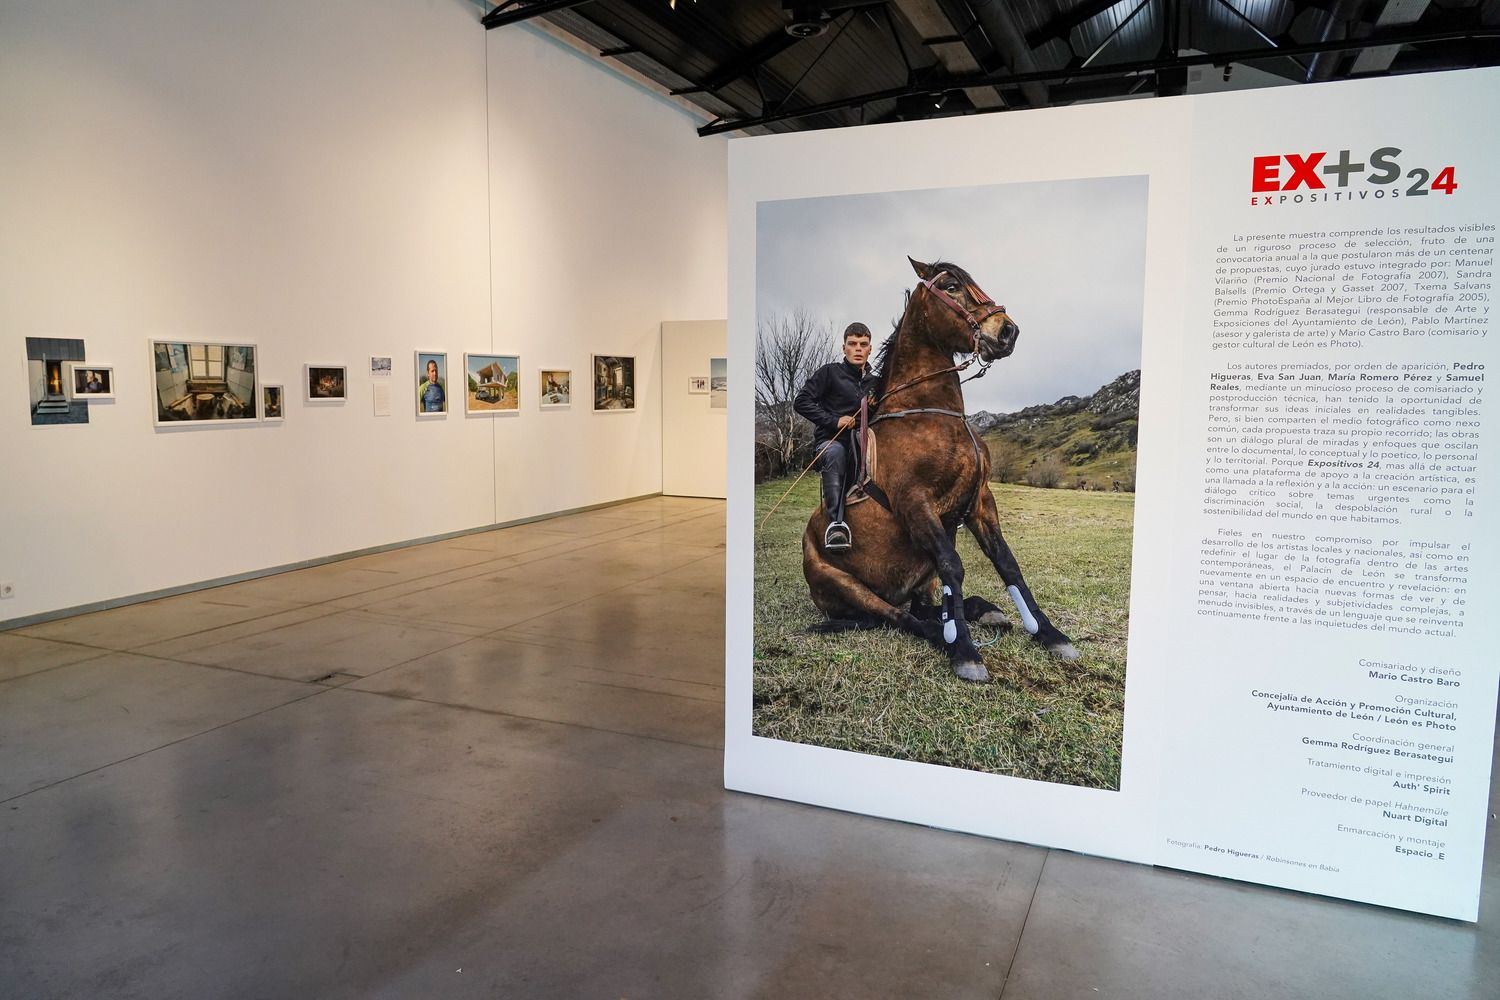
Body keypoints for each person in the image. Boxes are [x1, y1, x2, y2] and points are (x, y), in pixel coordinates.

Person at [794, 322, 874, 551]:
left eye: (863, 344)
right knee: (836, 452)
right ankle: (836, 525)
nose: (858, 348)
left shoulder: (874, 383)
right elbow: (801, 402)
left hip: (865, 444)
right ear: (844, 348)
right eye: (853, 344)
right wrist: (834, 420)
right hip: (831, 441)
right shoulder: (829, 372)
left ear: (870, 349)